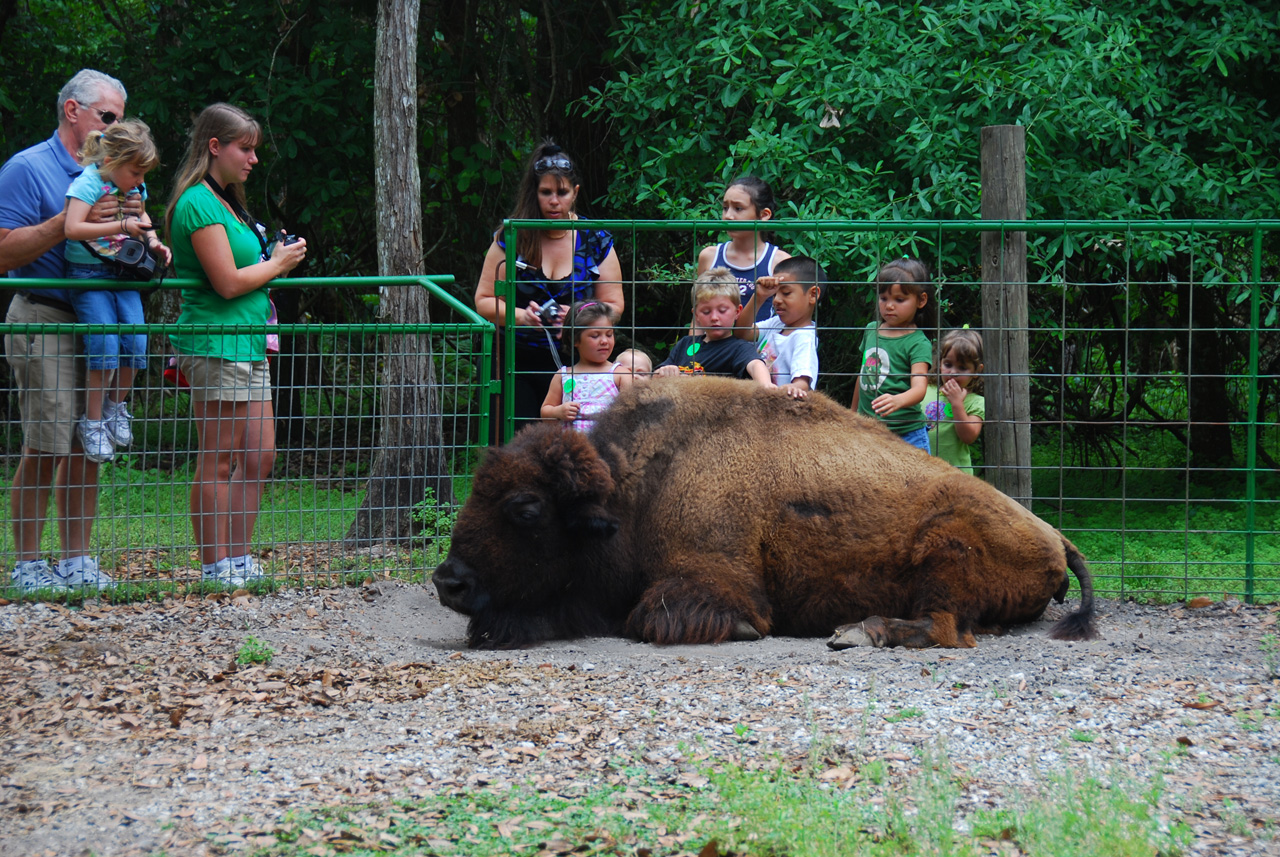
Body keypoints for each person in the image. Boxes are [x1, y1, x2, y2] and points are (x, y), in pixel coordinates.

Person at [0, 68, 134, 592]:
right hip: (45, 315)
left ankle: (76, 561)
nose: (115, 127)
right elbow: (5, 250)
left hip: (96, 315)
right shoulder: (26, 168)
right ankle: (28, 566)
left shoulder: (114, 169)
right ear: (72, 111)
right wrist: (69, 218)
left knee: (88, 441)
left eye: (121, 118)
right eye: (108, 116)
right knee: (46, 443)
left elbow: (117, 243)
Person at [165, 103, 307, 586]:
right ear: (214, 147)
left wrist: (271, 259)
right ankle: (215, 565)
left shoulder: (230, 202)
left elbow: (248, 270)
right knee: (220, 457)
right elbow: (226, 282)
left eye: (254, 149)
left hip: (249, 343)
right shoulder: (197, 202)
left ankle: (240, 559)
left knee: (259, 455)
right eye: (244, 149)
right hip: (216, 341)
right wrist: (279, 264)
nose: (253, 159)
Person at [474, 142, 624, 428]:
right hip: (513, 357)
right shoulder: (511, 236)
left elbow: (615, 306)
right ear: (535, 193)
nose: (554, 201)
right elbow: (483, 301)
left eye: (562, 192)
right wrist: (523, 317)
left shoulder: (595, 239)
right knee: (515, 444)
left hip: (576, 362)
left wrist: (578, 317)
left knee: (572, 448)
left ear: (575, 193)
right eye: (546, 193)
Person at [63, 118, 172, 463]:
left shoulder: (134, 189)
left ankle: (114, 407)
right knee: (105, 343)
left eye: (143, 176)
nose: (141, 182)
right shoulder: (89, 182)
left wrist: (153, 242)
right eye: (136, 173)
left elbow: (142, 222)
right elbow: (72, 227)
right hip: (88, 274)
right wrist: (122, 224)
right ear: (113, 162)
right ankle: (92, 421)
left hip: (122, 272)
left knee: (136, 342)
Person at [850, 257, 935, 453]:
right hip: (868, 431)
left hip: (906, 434)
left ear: (921, 300)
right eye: (884, 298)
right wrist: (852, 414)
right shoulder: (871, 330)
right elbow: (863, 376)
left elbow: (919, 389)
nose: (889, 306)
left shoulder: (918, 341)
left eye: (899, 299)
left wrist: (898, 400)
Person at [695, 176, 791, 323]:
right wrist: (693, 346)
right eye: (725, 208)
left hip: (761, 345)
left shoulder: (780, 261)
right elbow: (698, 318)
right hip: (715, 345)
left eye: (738, 208)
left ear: (764, 215)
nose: (728, 216)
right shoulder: (709, 256)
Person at [656, 267, 772, 386]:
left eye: (722, 311)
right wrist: (666, 371)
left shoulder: (739, 348)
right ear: (696, 315)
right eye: (706, 312)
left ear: (737, 312)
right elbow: (656, 374)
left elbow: (755, 365)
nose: (714, 317)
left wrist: (766, 385)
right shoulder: (684, 344)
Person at [733, 255, 825, 398]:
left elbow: (803, 382)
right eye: (775, 294)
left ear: (813, 294)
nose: (776, 300)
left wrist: (790, 388)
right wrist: (758, 297)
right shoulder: (777, 323)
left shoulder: (804, 338)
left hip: (777, 409)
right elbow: (741, 333)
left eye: (786, 293)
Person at [540, 301, 636, 432]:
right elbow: (545, 411)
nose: (604, 341)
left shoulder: (620, 374)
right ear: (574, 339)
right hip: (572, 448)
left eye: (609, 334)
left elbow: (633, 412)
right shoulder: (563, 375)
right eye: (595, 336)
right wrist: (558, 412)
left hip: (608, 447)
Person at [924, 328, 986, 474]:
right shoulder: (926, 388)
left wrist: (957, 404)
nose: (953, 372)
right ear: (939, 363)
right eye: (948, 364)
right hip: (922, 471)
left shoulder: (975, 401)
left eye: (962, 368)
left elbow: (968, 437)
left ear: (977, 371)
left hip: (956, 477)